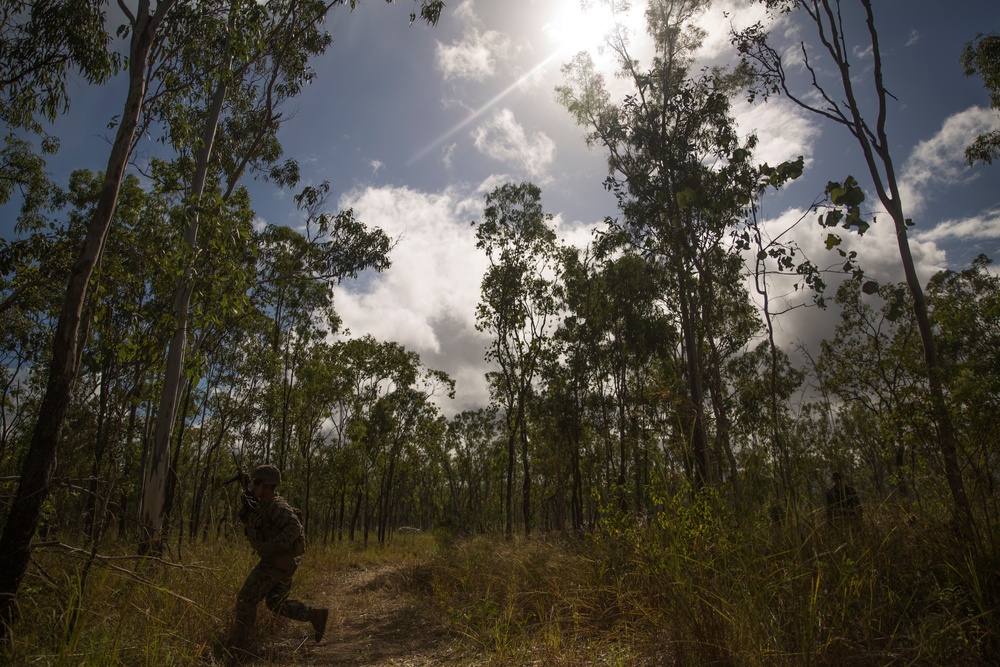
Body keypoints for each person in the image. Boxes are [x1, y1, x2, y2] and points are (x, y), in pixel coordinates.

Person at [227, 464, 328, 649]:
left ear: (267, 486)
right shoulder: (265, 503)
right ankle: (315, 616)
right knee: (276, 602)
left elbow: (294, 527)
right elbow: (253, 501)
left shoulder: (276, 505)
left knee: (246, 599)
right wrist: (246, 481)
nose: (253, 487)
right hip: (284, 562)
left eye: (256, 483)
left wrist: (270, 546)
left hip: (276, 562)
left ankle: (241, 644)